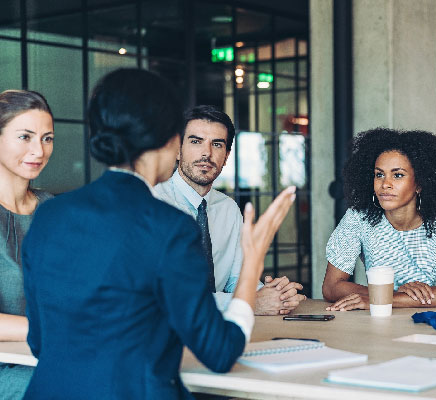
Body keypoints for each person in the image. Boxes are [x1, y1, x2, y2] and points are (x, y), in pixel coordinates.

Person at [21, 69, 296, 399]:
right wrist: (254, 258)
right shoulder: (169, 226)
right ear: (169, 141)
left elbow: (40, 342)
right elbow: (220, 353)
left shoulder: (50, 214)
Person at [154, 105, 306, 316]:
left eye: (217, 144)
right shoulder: (154, 205)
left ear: (226, 156)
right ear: (177, 150)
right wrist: (249, 303)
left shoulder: (228, 208)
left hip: (220, 331)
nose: (206, 153)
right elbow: (169, 294)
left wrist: (273, 294)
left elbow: (236, 279)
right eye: (196, 141)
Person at [322, 128, 436, 311]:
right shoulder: (358, 219)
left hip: (428, 323)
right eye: (379, 174)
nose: (385, 184)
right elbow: (331, 286)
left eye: (398, 175)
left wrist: (384, 299)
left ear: (419, 183)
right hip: (379, 321)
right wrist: (387, 297)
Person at [0, 90, 54, 400]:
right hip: (10, 367)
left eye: (47, 138)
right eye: (25, 137)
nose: (39, 150)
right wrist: (51, 327)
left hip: (51, 353)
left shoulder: (54, 210)